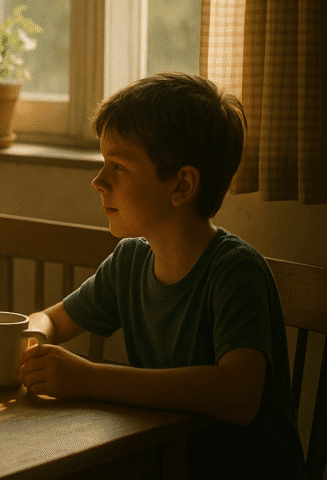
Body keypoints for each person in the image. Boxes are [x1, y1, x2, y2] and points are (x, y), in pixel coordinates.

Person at [18, 72, 306, 478]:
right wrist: (32, 340)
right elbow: (52, 318)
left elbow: (238, 396)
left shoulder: (235, 272)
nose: (98, 181)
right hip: (168, 463)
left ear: (182, 185)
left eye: (118, 166)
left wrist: (90, 378)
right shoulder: (130, 262)